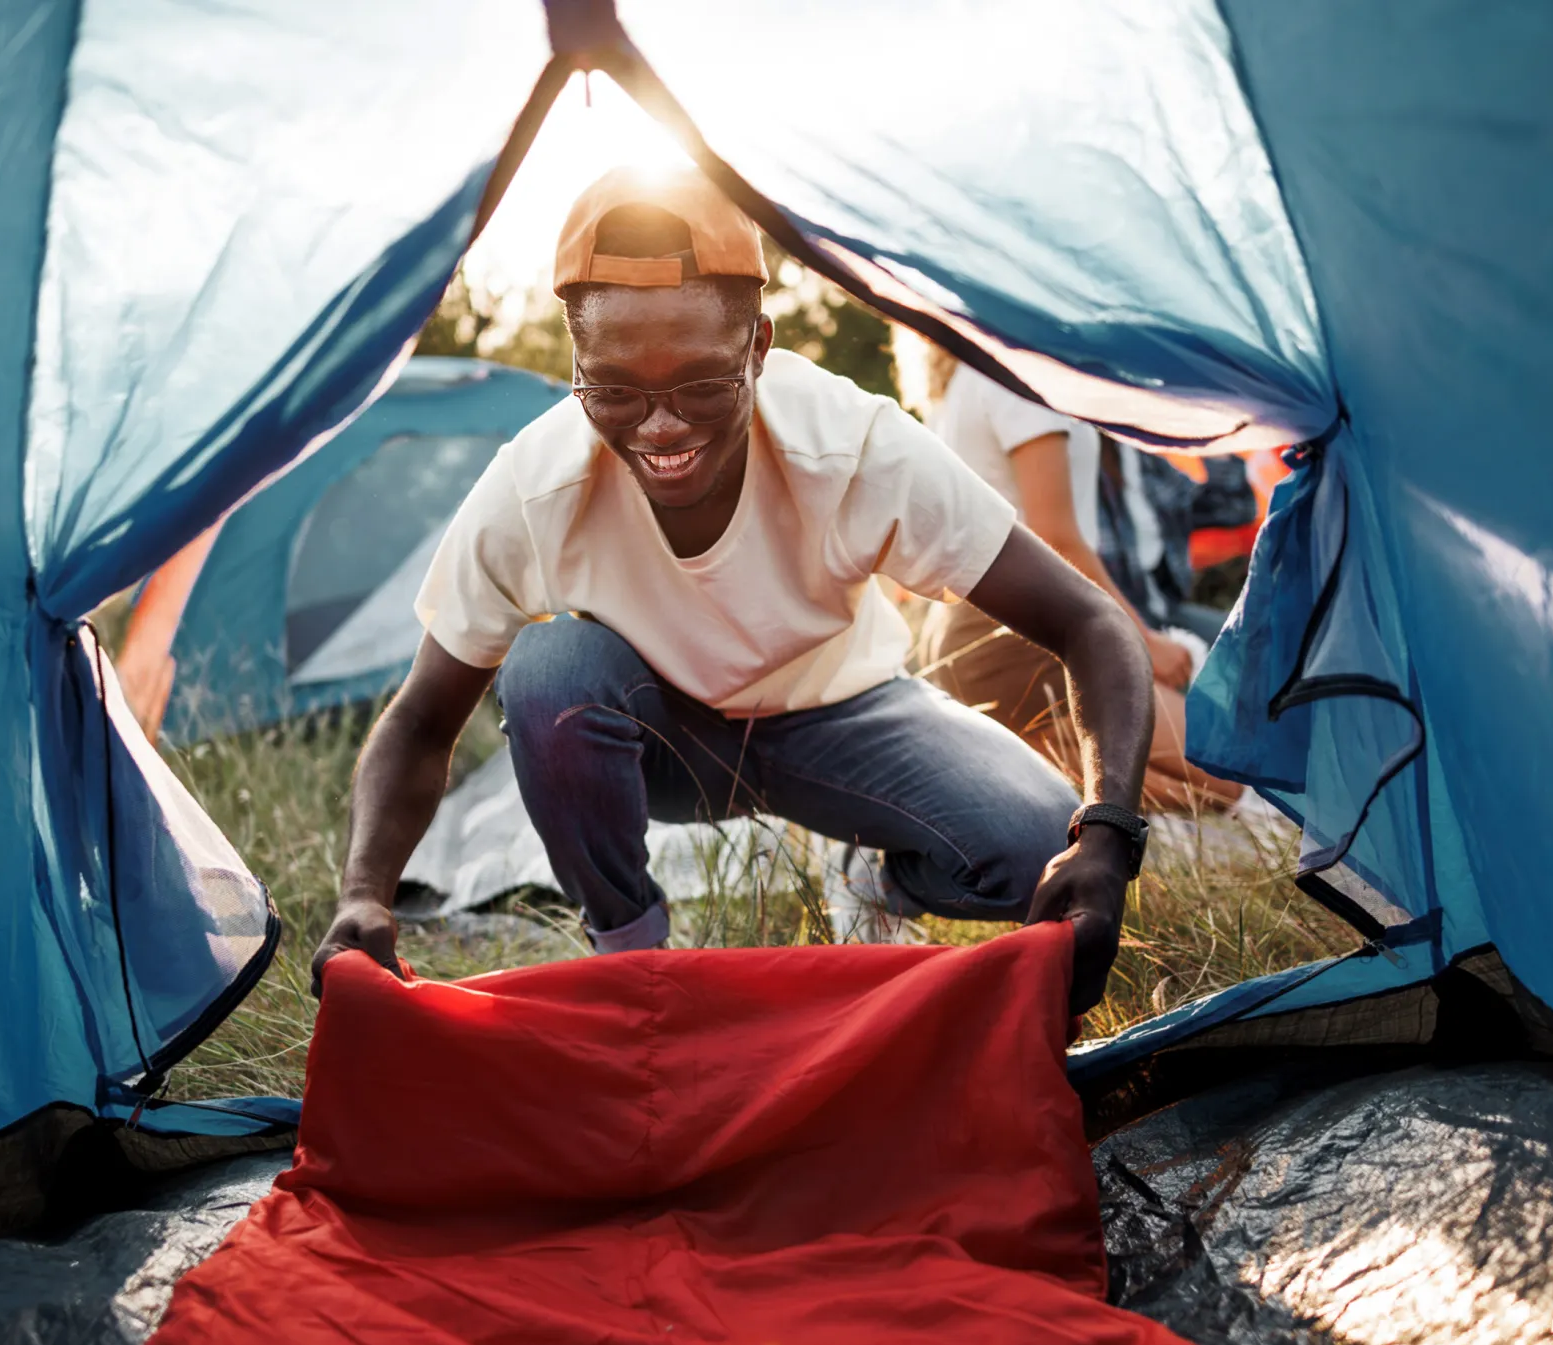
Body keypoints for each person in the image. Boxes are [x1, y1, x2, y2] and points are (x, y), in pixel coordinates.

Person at [310, 168, 1158, 1013]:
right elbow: (421, 719)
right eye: (614, 390)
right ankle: (628, 963)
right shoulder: (536, 488)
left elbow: (1088, 622)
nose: (661, 425)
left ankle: (875, 868)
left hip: (842, 714)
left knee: (1044, 839)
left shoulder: (854, 448)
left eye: (702, 385)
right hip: (665, 737)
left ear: (759, 346)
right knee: (549, 670)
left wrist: (1109, 831)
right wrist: (363, 895)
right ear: (578, 363)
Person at [906, 346, 1241, 811]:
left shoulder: (964, 377)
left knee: (1182, 797)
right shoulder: (1015, 379)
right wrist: (1141, 640)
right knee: (1227, 780)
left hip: (976, 632)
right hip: (1024, 635)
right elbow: (1055, 536)